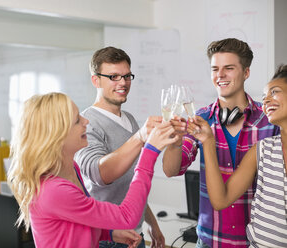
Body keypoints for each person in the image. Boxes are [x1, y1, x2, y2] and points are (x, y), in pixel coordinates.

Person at [7, 92, 179, 248]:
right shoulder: (54, 191)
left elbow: (78, 223)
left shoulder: (71, 170)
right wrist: (150, 151)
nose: (86, 122)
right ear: (56, 137)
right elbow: (127, 217)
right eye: (77, 121)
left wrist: (109, 233)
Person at [162, 38, 280, 247]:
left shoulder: (270, 120)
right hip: (210, 241)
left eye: (229, 68)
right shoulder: (201, 118)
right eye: (215, 69)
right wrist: (175, 141)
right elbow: (172, 170)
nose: (220, 75)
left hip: (255, 242)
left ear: (246, 72)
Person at [188, 64, 287, 248]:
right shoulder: (262, 150)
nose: (266, 100)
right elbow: (220, 200)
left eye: (274, 92)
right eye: (264, 96)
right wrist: (208, 142)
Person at [75, 47, 165, 248]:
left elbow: (132, 183)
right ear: (96, 80)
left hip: (136, 233)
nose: (123, 83)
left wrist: (151, 222)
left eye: (126, 76)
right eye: (114, 77)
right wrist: (141, 137)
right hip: (109, 238)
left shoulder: (130, 120)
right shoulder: (85, 123)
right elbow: (100, 174)